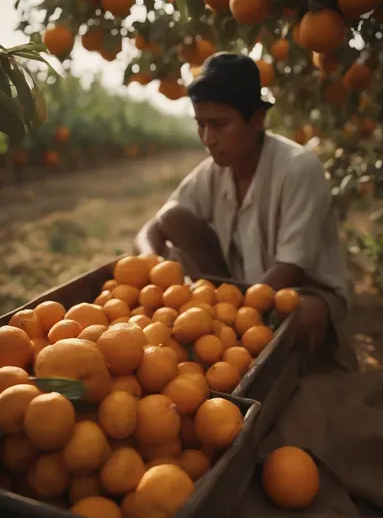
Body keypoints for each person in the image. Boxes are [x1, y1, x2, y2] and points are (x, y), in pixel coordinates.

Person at [135, 53, 357, 371]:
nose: (207, 139)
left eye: (219, 125)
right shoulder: (213, 171)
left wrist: (231, 316)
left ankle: (287, 357)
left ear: (256, 120)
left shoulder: (298, 168)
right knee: (173, 216)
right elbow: (153, 228)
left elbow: (291, 266)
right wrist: (150, 266)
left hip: (300, 290)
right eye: (201, 125)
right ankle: (244, 344)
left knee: (301, 314)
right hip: (238, 289)